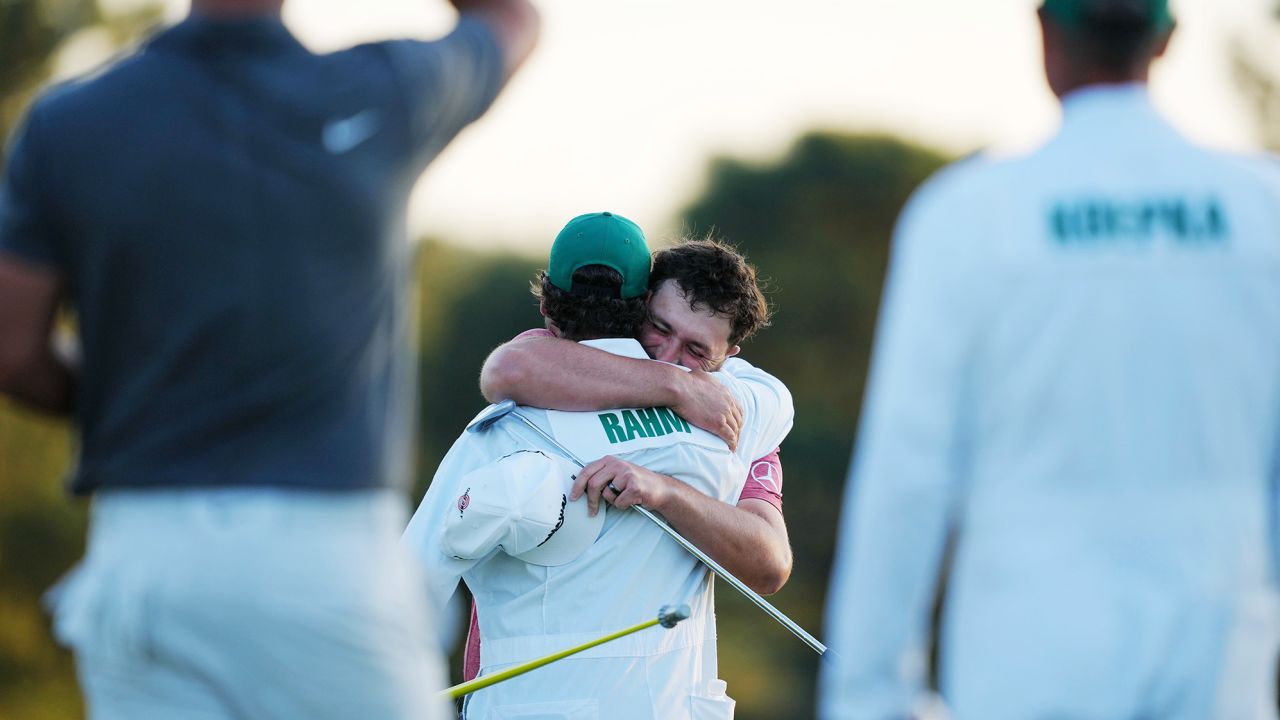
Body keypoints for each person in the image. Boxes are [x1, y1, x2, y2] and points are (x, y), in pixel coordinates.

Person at [0, 0, 538, 717]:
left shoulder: (68, 120)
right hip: (322, 557)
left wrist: (128, 401)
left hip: (142, 555)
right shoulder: (385, 87)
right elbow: (511, 19)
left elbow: (12, 350)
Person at [819, 1, 1280, 718]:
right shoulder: (1261, 210)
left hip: (1027, 660)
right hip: (1217, 658)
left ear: (1047, 37)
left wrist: (869, 698)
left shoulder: (969, 215)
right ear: (1165, 40)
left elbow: (906, 478)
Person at [403, 212, 793, 718]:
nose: (671, 360)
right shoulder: (732, 411)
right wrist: (678, 387)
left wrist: (665, 491)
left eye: (696, 350)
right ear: (641, 307)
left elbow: (408, 595)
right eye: (660, 329)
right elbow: (515, 366)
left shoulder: (500, 430)